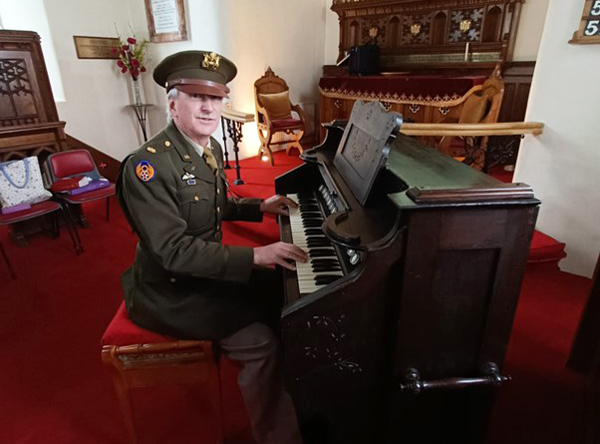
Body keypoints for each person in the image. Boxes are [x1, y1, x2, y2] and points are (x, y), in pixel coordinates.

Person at [116, 50, 309, 444]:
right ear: (173, 104)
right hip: (170, 290)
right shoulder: (147, 167)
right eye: (196, 97)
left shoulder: (208, 148)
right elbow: (173, 251)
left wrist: (261, 206)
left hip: (205, 271)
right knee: (262, 343)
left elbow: (214, 205)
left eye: (216, 98)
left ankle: (304, 401)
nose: (209, 108)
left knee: (291, 298)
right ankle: (277, 436)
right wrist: (256, 255)